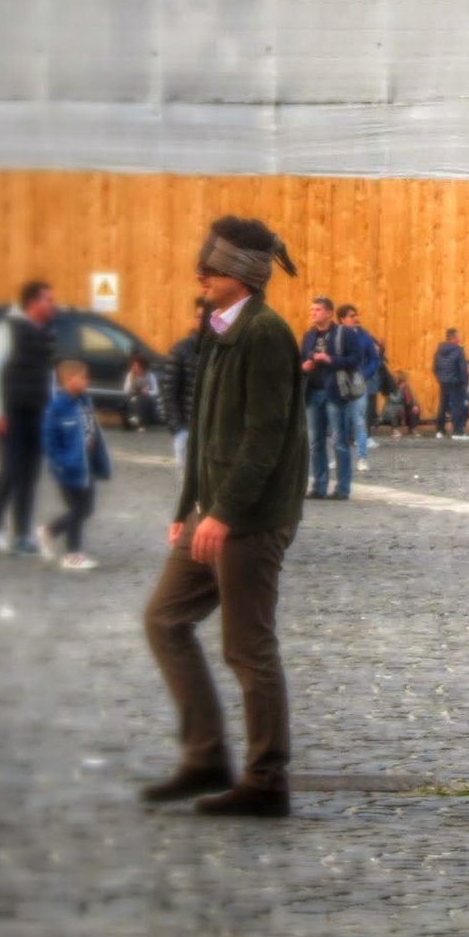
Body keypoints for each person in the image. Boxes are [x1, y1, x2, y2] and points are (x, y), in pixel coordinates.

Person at [141, 215, 308, 819]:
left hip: (253, 517)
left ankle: (267, 782)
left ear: (241, 275)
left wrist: (226, 512)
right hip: (213, 513)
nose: (199, 275)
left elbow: (265, 436)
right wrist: (188, 507)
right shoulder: (216, 330)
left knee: (248, 647)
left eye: (210, 268)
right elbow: (205, 427)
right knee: (164, 620)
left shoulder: (265, 333)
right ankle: (206, 757)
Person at [0, 280, 57, 557]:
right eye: (48, 299)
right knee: (10, 472)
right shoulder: (8, 329)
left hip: (38, 412)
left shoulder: (47, 332)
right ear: (33, 303)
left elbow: (49, 376)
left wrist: (51, 412)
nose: (53, 304)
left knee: (30, 475)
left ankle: (21, 535)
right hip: (12, 413)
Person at [38, 359, 111, 572]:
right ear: (68, 379)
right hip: (68, 469)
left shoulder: (84, 400)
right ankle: (72, 554)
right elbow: (49, 440)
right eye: (83, 377)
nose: (87, 381)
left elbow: (91, 429)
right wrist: (61, 463)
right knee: (77, 509)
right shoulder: (57, 407)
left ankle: (49, 531)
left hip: (86, 465)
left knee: (86, 509)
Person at [300, 296, 363, 501]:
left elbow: (355, 360)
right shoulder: (309, 336)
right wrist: (304, 366)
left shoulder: (344, 334)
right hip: (313, 393)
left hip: (335, 393)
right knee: (315, 442)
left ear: (328, 312)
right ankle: (319, 485)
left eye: (317, 309)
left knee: (339, 441)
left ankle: (342, 488)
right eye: (312, 309)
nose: (313, 313)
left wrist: (330, 359)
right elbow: (300, 360)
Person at [160, 301, 207, 471]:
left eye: (207, 317)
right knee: (188, 487)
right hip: (187, 428)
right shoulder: (181, 350)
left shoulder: (223, 350)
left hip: (214, 434)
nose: (202, 321)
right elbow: (168, 391)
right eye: (199, 316)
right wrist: (178, 429)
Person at [336, 304, 381, 473]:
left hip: (358, 384)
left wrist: (364, 374)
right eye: (351, 315)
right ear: (341, 319)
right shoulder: (335, 336)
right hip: (339, 384)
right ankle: (341, 457)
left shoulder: (364, 337)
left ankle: (362, 457)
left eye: (356, 314)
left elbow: (375, 360)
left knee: (359, 420)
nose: (355, 318)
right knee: (340, 422)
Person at [431, 328, 469, 440]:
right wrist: (465, 382)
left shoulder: (439, 350)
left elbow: (434, 368)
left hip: (444, 382)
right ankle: (458, 431)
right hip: (456, 382)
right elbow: (462, 368)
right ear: (454, 338)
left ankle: (440, 430)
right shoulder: (458, 350)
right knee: (457, 407)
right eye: (458, 337)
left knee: (443, 406)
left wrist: (440, 378)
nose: (459, 339)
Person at [123, 353, 161, 431]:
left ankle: (137, 420)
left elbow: (156, 391)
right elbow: (126, 390)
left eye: (136, 366)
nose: (134, 368)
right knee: (134, 400)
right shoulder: (130, 375)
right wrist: (131, 383)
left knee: (140, 400)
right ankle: (137, 420)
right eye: (133, 366)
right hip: (133, 398)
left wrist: (148, 392)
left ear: (142, 367)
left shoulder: (150, 376)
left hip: (147, 400)